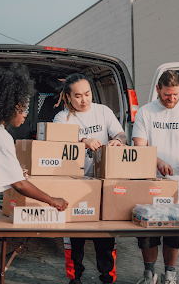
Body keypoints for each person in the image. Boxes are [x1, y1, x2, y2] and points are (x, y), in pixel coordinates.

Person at [0, 64, 69, 283]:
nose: (26, 115)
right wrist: (52, 200)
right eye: (23, 109)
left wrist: (17, 173)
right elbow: (19, 184)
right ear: (8, 107)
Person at [53, 73, 126, 284]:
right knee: (75, 237)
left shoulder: (103, 111)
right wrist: (83, 140)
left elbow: (121, 134)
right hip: (74, 185)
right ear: (68, 96)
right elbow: (57, 141)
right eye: (78, 95)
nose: (84, 100)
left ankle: (107, 278)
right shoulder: (62, 118)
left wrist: (118, 142)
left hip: (103, 185)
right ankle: (75, 279)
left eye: (87, 94)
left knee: (104, 236)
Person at [132, 70, 179, 284]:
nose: (171, 99)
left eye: (175, 94)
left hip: (178, 184)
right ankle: (149, 274)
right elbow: (140, 146)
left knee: (175, 230)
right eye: (167, 94)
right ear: (158, 90)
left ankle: (170, 275)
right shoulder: (145, 113)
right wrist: (159, 162)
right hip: (150, 181)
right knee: (148, 231)